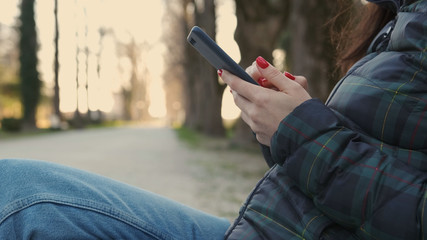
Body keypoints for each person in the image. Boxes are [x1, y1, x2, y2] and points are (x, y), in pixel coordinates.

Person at [0, 0, 425, 239]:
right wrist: (287, 123)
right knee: (17, 190)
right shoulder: (402, 21)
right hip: (272, 227)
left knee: (20, 200)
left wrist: (305, 133)